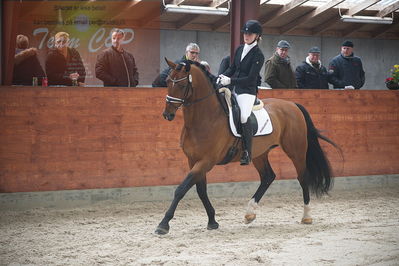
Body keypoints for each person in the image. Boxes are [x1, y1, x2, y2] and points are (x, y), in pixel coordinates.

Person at [218, 20, 265, 166]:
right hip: (233, 88)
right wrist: (220, 77)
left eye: (249, 33)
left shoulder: (258, 55)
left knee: (244, 116)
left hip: (247, 92)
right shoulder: (239, 49)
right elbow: (232, 68)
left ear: (257, 36)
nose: (246, 35)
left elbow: (250, 78)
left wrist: (230, 81)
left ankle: (246, 152)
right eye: (245, 33)